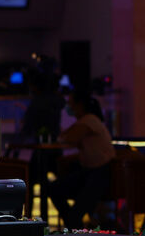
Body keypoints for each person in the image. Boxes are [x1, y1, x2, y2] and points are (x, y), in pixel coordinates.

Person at [48, 90, 115, 228]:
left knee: (66, 201)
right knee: (55, 189)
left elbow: (68, 137)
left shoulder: (89, 120)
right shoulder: (87, 121)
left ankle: (74, 227)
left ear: (79, 105)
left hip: (100, 173)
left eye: (70, 103)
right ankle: (74, 226)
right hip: (91, 172)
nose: (68, 107)